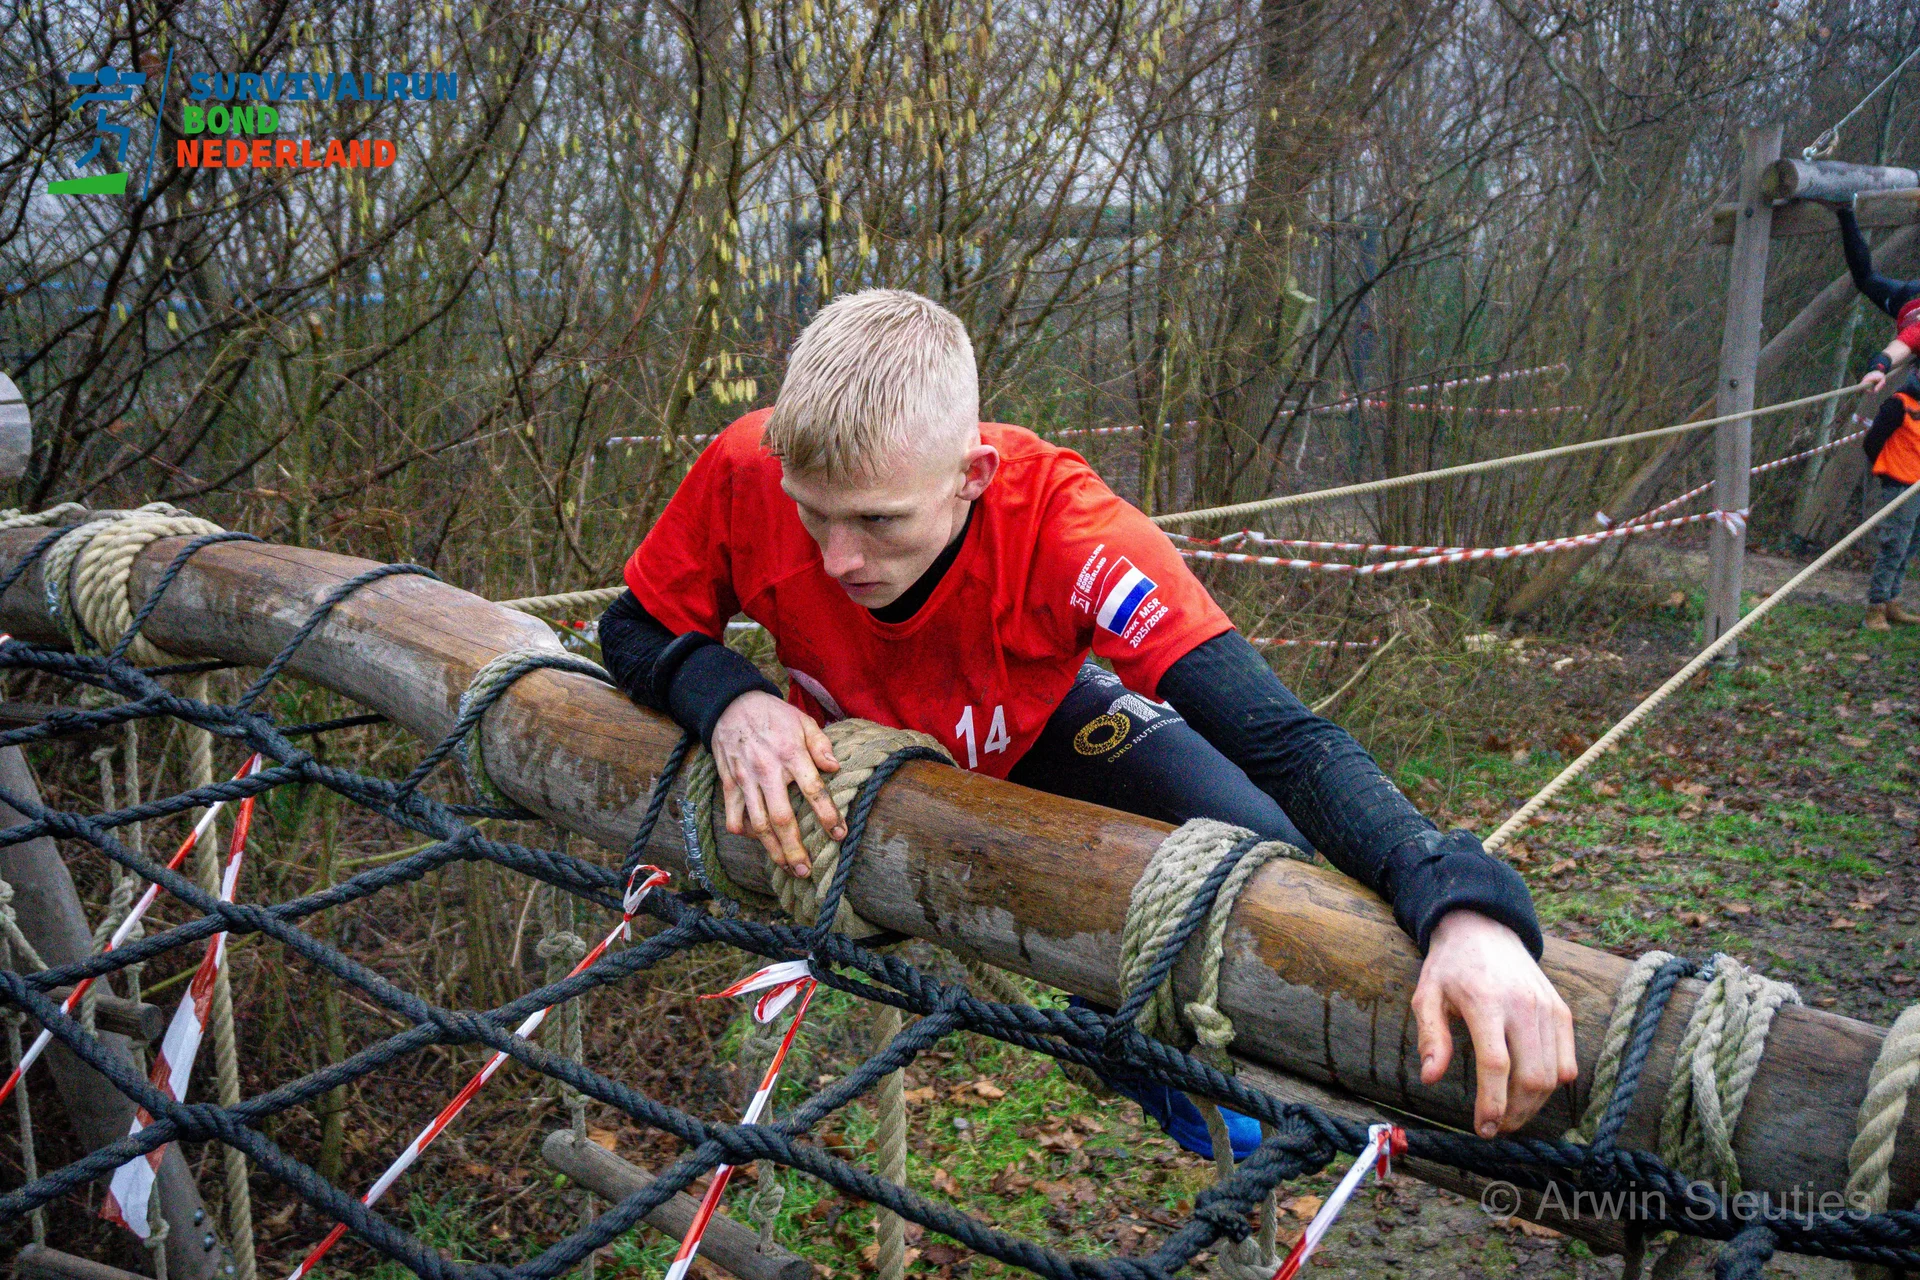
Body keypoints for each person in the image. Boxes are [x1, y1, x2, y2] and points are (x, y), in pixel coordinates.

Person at [600, 289, 1577, 1159]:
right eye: (815, 516)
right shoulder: (744, 466)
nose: (841, 556)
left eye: (880, 521)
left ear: (973, 474)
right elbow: (633, 622)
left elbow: (1280, 735)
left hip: (1040, 730)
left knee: (1280, 867)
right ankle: (1140, 1050)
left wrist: (1464, 907)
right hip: (858, 745)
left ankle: (1147, 1052)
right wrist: (729, 697)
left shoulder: (1071, 531)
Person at [1834, 204, 1920, 630]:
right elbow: (1896, 349)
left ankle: (1891, 601)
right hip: (1910, 302)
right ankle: (1875, 606)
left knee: (1910, 540)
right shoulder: (1916, 327)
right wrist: (1878, 369)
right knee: (1865, 279)